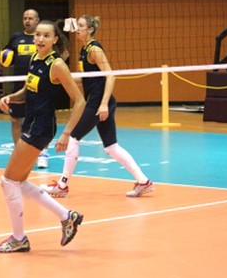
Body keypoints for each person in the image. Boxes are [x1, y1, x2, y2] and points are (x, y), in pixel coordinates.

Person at [0, 20, 85, 253]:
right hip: (32, 123)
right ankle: (67, 216)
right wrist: (12, 97)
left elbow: (80, 101)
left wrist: (67, 133)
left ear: (55, 40)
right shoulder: (35, 58)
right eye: (37, 35)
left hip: (41, 127)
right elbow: (28, 89)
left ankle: (18, 238)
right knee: (19, 182)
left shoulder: (57, 65)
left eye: (46, 36)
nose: (40, 39)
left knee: (8, 181)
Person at [41, 16, 155, 198]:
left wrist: (103, 104)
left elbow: (111, 76)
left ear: (90, 30)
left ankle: (62, 186)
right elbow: (88, 79)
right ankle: (143, 181)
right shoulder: (84, 50)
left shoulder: (94, 49)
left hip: (99, 103)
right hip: (100, 102)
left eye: (81, 26)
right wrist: (61, 78)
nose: (78, 29)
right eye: (77, 25)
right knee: (111, 146)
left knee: (73, 137)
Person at [2, 9, 50, 169]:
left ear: (37, 20)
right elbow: (6, 58)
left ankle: (42, 154)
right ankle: (19, 153)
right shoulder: (16, 38)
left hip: (38, 83)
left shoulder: (42, 39)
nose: (27, 21)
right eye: (25, 18)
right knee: (16, 120)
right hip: (19, 84)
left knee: (39, 121)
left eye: (30, 18)